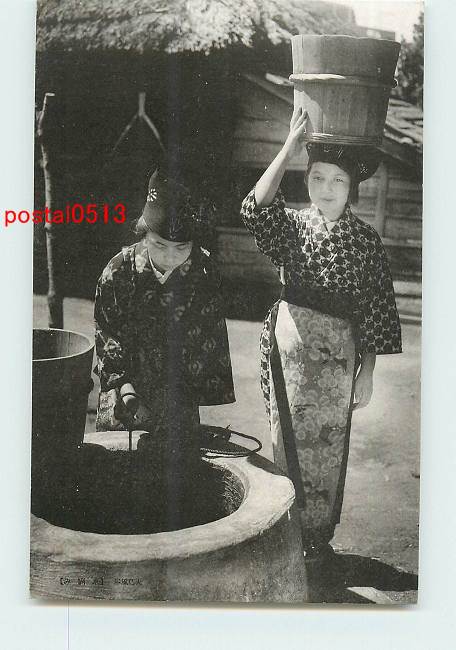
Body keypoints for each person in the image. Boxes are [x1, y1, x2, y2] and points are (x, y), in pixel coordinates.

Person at [241, 107, 402, 558]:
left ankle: (317, 536)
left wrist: (367, 372)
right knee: (285, 437)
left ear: (351, 188)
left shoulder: (366, 242)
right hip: (289, 350)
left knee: (329, 444)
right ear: (306, 179)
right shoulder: (292, 226)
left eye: (337, 180)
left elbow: (375, 312)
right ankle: (284, 532)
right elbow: (255, 208)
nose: (326, 189)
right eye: (316, 178)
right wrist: (288, 148)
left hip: (338, 360)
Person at [94, 168, 235, 520]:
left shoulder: (204, 272)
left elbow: (209, 337)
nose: (170, 256)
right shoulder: (117, 271)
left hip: (178, 393)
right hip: (125, 392)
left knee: (174, 491)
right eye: (159, 245)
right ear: (144, 232)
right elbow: (107, 332)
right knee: (117, 487)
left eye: (181, 248)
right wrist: (125, 387)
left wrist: (188, 393)